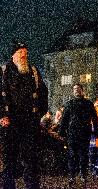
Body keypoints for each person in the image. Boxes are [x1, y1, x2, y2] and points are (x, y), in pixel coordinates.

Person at [0, 41, 48, 189]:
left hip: (30, 122)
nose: (23, 55)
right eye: (20, 52)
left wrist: (40, 114)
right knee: (10, 158)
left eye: (25, 52)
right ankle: (9, 186)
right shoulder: (3, 71)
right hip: (11, 121)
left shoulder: (33, 71)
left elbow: (43, 93)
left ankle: (32, 186)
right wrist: (2, 115)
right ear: (13, 55)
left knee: (31, 158)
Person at [59, 84, 98, 188]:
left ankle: (83, 174)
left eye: (78, 89)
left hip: (84, 134)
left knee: (84, 156)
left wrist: (97, 132)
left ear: (82, 91)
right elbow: (64, 119)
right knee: (72, 156)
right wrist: (61, 132)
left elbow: (95, 118)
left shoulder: (88, 104)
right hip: (72, 134)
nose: (76, 91)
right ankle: (72, 175)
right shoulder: (69, 104)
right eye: (74, 89)